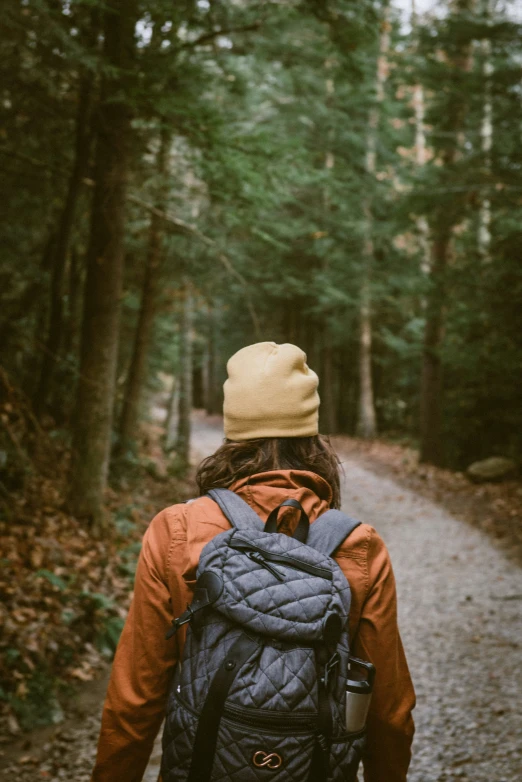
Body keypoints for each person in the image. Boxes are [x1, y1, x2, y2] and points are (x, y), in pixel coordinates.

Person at [91, 341, 415, 782]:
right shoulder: (359, 545)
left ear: (232, 432)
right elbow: (388, 711)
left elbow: (135, 697)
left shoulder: (177, 530)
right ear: (313, 437)